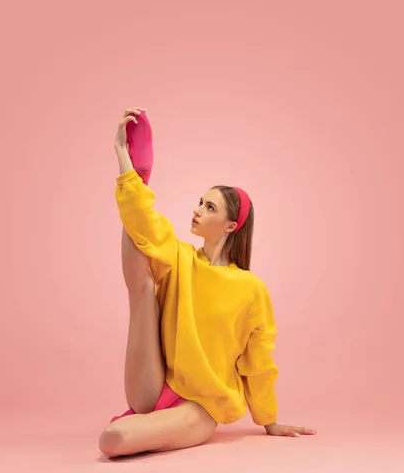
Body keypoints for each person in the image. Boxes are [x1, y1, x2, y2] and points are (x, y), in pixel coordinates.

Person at [98, 107, 316, 458]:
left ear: (231, 226)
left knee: (113, 440)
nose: (197, 210)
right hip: (154, 383)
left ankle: (146, 427)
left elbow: (258, 363)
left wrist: (269, 419)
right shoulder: (181, 257)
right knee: (145, 253)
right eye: (200, 202)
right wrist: (124, 161)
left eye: (210, 207)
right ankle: (140, 178)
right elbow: (145, 228)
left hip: (201, 406)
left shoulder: (250, 289)